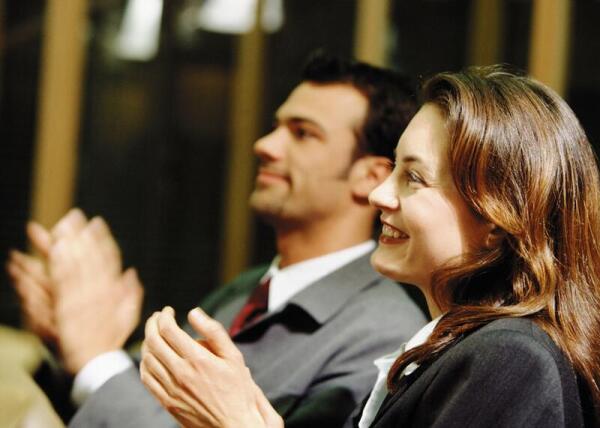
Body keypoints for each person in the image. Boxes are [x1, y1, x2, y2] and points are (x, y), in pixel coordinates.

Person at [139, 65, 600, 427]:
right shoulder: (448, 352)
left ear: (496, 222)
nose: (379, 195)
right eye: (393, 169)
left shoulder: (509, 359)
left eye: (413, 177)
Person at [7, 52, 428, 427]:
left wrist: (95, 358)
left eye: (303, 133)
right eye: (276, 127)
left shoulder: (382, 337)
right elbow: (134, 402)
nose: (265, 145)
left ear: (370, 177)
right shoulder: (248, 288)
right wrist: (70, 346)